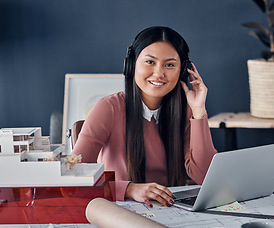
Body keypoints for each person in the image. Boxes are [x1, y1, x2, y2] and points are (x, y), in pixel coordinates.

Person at [71, 26, 217, 208]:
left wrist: (198, 111)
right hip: (118, 208)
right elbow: (75, 178)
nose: (159, 73)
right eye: (150, 62)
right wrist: (129, 189)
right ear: (131, 65)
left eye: (169, 65)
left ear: (182, 71)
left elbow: (205, 176)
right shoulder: (107, 108)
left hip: (171, 211)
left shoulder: (188, 111)